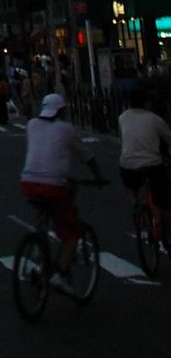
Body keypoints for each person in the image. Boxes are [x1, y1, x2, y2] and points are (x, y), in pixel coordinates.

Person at [19, 90, 104, 289]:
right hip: (53, 184)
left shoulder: (32, 125)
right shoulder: (66, 129)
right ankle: (61, 274)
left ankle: (39, 245)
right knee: (71, 228)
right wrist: (97, 176)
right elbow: (86, 156)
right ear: (61, 111)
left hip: (28, 181)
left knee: (44, 210)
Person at [117, 84, 171, 228]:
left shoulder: (122, 117)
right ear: (147, 102)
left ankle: (136, 200)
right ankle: (164, 227)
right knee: (165, 202)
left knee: (135, 183)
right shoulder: (154, 119)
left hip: (127, 166)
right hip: (152, 165)